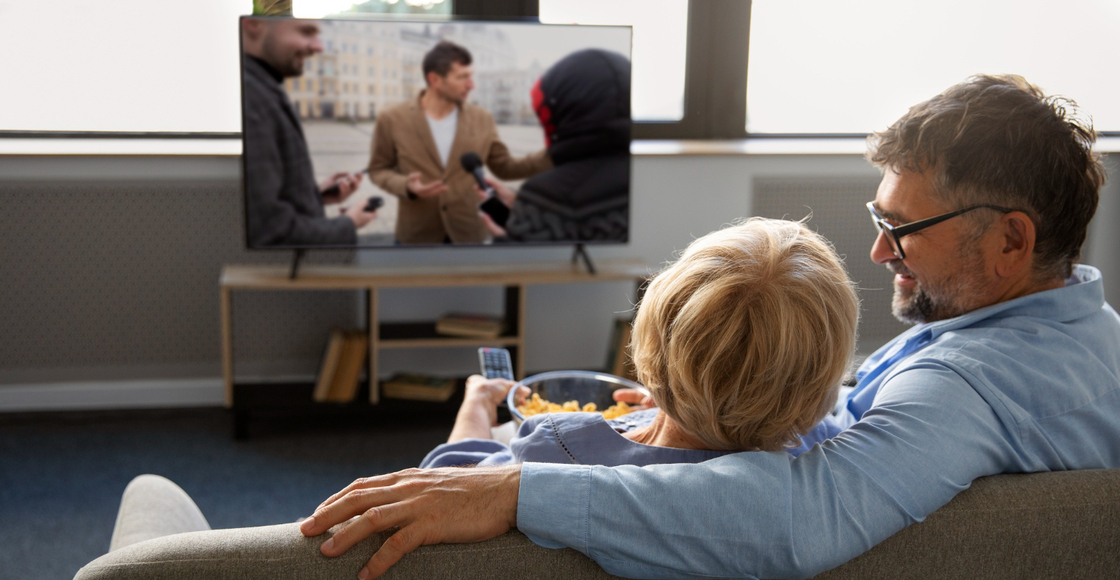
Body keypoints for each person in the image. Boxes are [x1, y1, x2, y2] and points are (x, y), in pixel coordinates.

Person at [295, 74, 1120, 579]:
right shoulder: (1078, 333)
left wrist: (518, 488)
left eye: (903, 228)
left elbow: (799, 518)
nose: (877, 249)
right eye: (879, 217)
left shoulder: (968, 387)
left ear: (1012, 240)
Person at [421, 218, 859, 469]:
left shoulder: (557, 446)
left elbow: (444, 483)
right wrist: (696, 399)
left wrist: (476, 405)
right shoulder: (813, 456)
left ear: (650, 341)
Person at [367, 40, 552, 244]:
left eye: (470, 76)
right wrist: (406, 186)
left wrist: (556, 153)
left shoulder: (483, 118)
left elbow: (505, 167)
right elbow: (378, 169)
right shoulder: (392, 118)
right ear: (435, 80)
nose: (471, 84)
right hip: (417, 236)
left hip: (469, 233)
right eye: (463, 77)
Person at [241, 17, 378, 247]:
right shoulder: (252, 96)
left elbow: (264, 199)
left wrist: (315, 195)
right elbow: (271, 230)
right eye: (306, 32)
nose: (319, 47)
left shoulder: (262, 84)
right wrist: (348, 222)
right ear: (254, 24)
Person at [477, 49, 630, 242]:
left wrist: (514, 230)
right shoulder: (654, 175)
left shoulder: (549, 197)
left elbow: (528, 265)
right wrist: (521, 207)